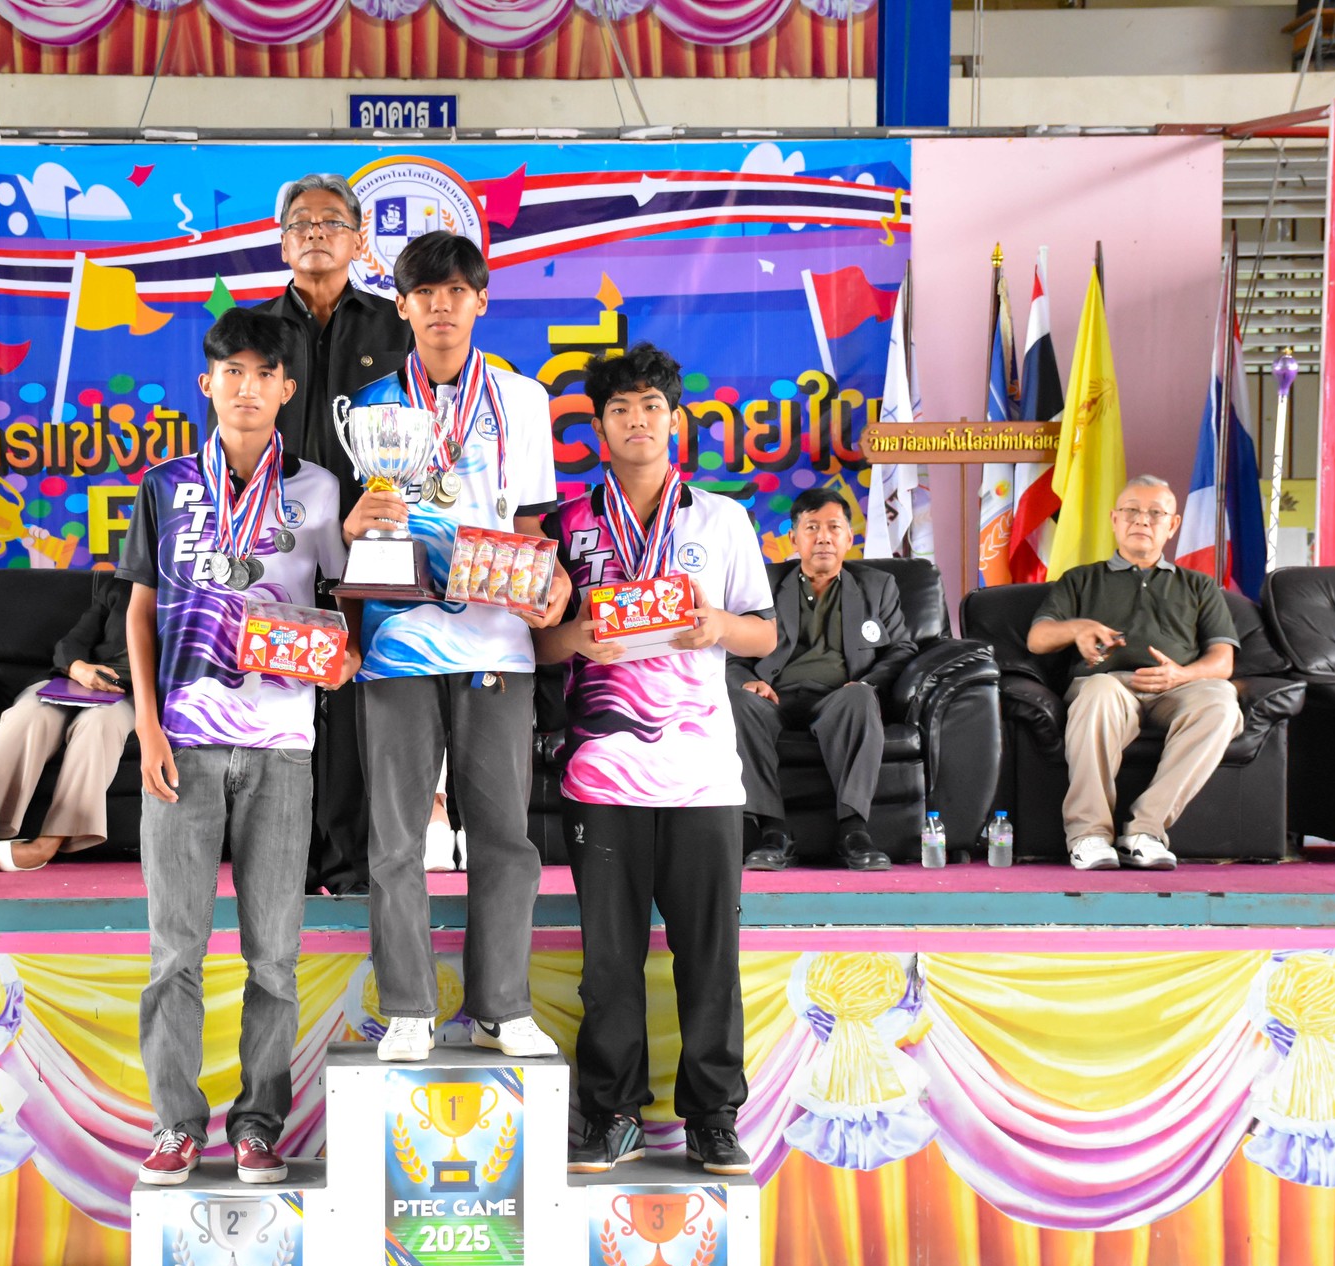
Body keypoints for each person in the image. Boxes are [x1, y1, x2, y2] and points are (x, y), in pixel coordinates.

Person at [124, 308, 355, 1185]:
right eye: (233, 371)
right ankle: (175, 1124)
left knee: (274, 956)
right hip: (182, 744)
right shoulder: (165, 486)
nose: (248, 387)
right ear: (207, 383)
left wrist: (344, 653)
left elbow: (345, 596)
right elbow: (139, 608)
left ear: (287, 388)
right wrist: (147, 723)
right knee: (174, 950)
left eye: (264, 373)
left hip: (282, 745)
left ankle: (258, 1124)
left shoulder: (321, 490)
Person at [538, 342, 774, 1177]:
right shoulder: (566, 526)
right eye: (619, 408)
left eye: (651, 406)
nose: (636, 420)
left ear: (674, 421)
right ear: (598, 427)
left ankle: (713, 1116)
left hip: (702, 775)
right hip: (602, 776)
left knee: (711, 956)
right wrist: (577, 636)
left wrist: (718, 627)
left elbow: (763, 632)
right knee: (610, 961)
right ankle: (613, 1113)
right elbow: (538, 644)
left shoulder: (722, 519)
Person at [348, 230, 571, 1065]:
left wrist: (550, 577)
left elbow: (532, 519)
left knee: (505, 834)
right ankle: (408, 1005)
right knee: (396, 837)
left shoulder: (523, 399)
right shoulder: (370, 405)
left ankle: (500, 1007)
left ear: (481, 300)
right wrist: (354, 527)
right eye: (424, 294)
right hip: (397, 639)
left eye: (455, 292)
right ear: (401, 306)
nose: (440, 307)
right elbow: (354, 526)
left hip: (497, 641)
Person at [252, 173, 413, 898]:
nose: (315, 232)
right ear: (282, 242)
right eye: (301, 223)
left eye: (331, 222)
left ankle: (349, 869)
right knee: (281, 695)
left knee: (352, 702)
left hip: (371, 546)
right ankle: (284, 864)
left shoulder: (394, 326)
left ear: (359, 240)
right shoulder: (255, 332)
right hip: (277, 546)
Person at [1027, 474, 1241, 871]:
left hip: (1176, 688)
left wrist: (1181, 675)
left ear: (1173, 525)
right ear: (1114, 519)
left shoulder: (1199, 586)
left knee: (1222, 701)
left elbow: (1222, 661)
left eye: (1155, 513)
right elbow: (1038, 639)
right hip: (1109, 685)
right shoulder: (1081, 579)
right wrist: (1077, 628)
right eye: (1131, 510)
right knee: (1099, 690)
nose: (1142, 519)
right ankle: (1089, 835)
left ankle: (1144, 832)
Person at [728, 488, 917, 872]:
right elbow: (731, 652)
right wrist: (747, 681)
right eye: (812, 527)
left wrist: (868, 683)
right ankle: (773, 832)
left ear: (849, 537)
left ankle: (853, 832)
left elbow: (902, 649)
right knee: (738, 701)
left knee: (861, 698)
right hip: (773, 696)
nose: (824, 538)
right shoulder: (763, 584)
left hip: (838, 699)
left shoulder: (878, 586)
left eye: (834, 527)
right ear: (794, 538)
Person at [0, 570, 135, 874]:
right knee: (28, 715)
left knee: (98, 725)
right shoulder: (120, 587)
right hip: (78, 681)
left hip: (134, 694)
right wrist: (79, 669)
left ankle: (47, 844)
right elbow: (73, 641)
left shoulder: (193, 598)